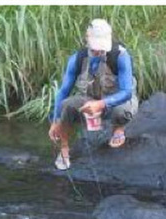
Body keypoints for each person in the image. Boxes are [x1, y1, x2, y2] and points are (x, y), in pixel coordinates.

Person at [48, 18, 138, 170]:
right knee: (66, 105)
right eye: (95, 47)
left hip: (117, 100)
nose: (99, 51)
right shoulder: (77, 59)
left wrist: (101, 104)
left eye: (102, 48)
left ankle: (118, 127)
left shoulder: (121, 56)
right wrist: (56, 121)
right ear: (87, 39)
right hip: (91, 98)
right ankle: (64, 149)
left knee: (120, 110)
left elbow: (127, 92)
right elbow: (63, 91)